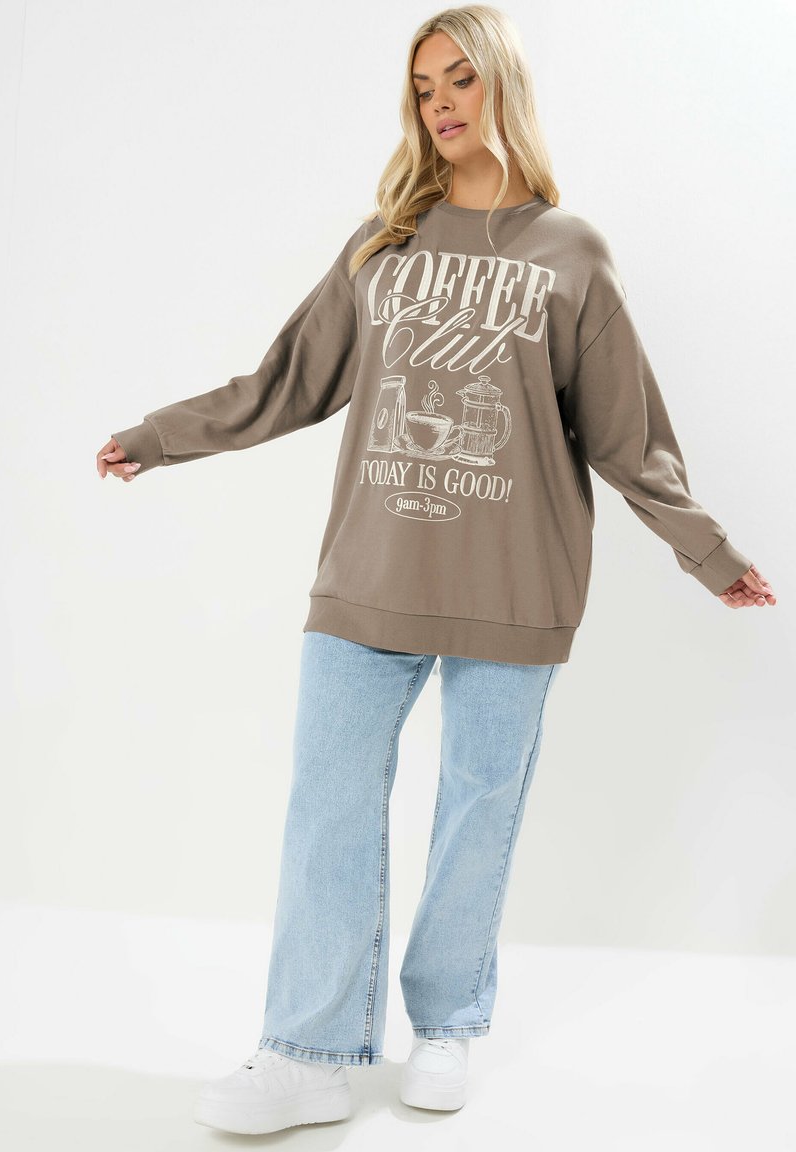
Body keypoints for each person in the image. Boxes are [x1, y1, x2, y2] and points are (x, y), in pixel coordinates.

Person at [95, 3, 776, 1136]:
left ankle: (447, 1022)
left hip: (514, 579)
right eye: (423, 87)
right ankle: (305, 1050)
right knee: (326, 800)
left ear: (502, 83)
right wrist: (160, 437)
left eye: (460, 78)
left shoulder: (570, 252)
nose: (442, 102)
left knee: (477, 808)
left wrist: (706, 552)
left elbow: (626, 434)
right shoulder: (385, 243)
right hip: (371, 569)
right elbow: (288, 380)